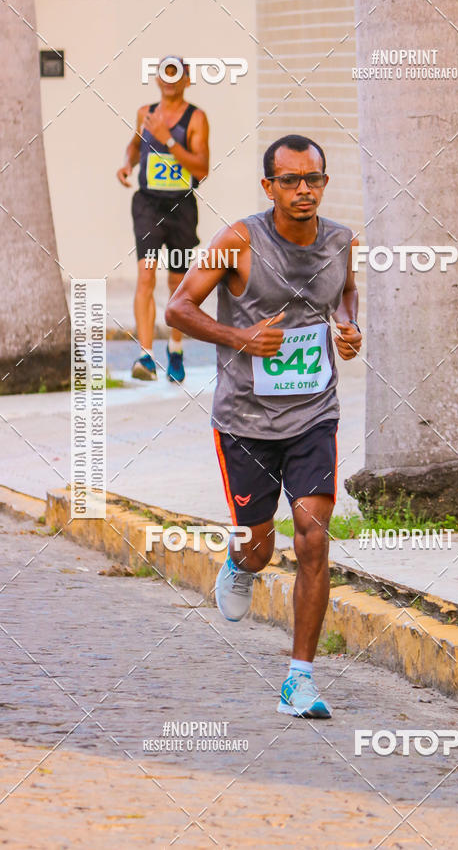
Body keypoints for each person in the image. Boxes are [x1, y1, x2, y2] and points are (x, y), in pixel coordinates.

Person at [165, 134, 361, 718]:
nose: (304, 190)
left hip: (313, 413)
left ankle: (299, 680)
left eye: (314, 179)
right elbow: (177, 308)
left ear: (324, 182)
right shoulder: (239, 241)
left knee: (313, 537)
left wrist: (347, 330)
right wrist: (239, 338)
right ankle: (240, 562)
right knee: (259, 547)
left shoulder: (343, 241)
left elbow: (346, 295)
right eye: (291, 181)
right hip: (245, 419)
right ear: (268, 186)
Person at [117, 55, 209, 383]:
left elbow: (201, 169)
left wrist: (169, 139)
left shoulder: (196, 118)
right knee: (146, 275)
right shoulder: (145, 113)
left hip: (182, 207)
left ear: (187, 79)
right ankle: (145, 356)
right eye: (164, 74)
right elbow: (133, 146)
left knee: (177, 281)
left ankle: (176, 348)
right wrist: (127, 164)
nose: (169, 80)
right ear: (157, 80)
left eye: (177, 74)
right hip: (148, 205)